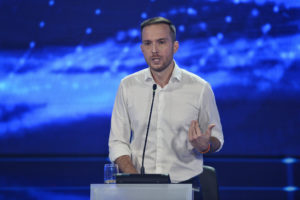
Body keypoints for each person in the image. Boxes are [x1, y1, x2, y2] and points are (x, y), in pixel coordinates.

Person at [108, 16, 224, 198]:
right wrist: (135, 179)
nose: (154, 50)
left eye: (161, 42)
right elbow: (117, 142)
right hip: (138, 188)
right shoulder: (127, 86)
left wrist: (205, 145)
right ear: (142, 48)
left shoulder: (199, 88)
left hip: (185, 188)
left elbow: (216, 139)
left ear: (175, 46)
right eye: (147, 43)